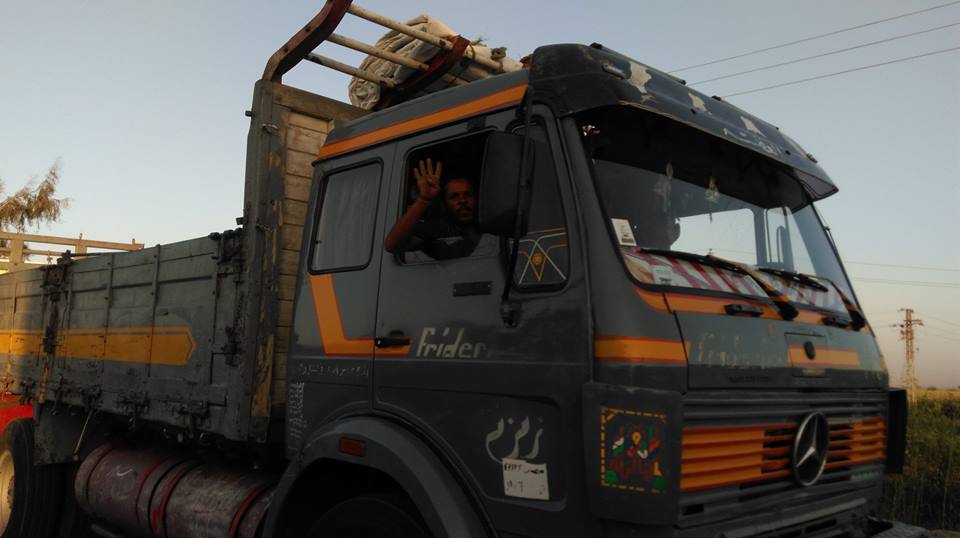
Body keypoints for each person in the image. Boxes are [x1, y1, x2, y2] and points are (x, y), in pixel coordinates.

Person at [384, 158, 493, 260]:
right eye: (454, 196)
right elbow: (391, 245)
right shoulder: (438, 228)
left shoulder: (491, 222)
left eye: (467, 194)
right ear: (444, 204)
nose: (462, 200)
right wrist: (423, 200)